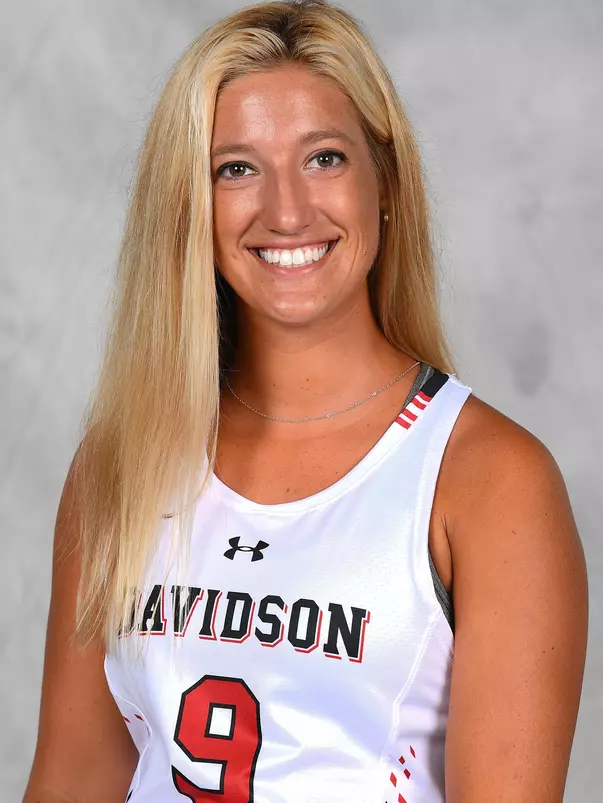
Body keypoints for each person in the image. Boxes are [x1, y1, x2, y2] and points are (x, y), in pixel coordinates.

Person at [24, 1, 588, 801]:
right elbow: (75, 777)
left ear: (382, 183)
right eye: (236, 168)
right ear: (192, 205)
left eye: (324, 158)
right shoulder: (122, 464)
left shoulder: (489, 480)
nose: (286, 211)